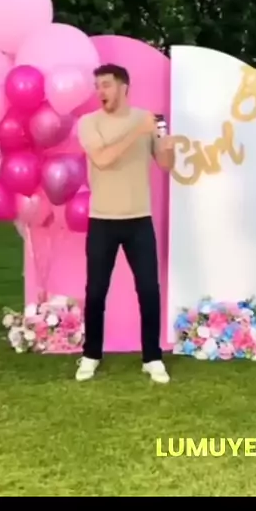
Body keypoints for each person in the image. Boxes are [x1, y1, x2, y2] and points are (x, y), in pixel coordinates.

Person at [75, 63, 175, 384]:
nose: (100, 92)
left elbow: (165, 164)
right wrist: (138, 131)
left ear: (124, 87)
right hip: (102, 220)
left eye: (106, 85)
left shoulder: (150, 120)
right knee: (96, 292)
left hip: (139, 220)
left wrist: (168, 147)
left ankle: (152, 358)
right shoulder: (88, 123)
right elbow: (102, 160)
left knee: (148, 290)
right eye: (97, 86)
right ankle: (91, 355)